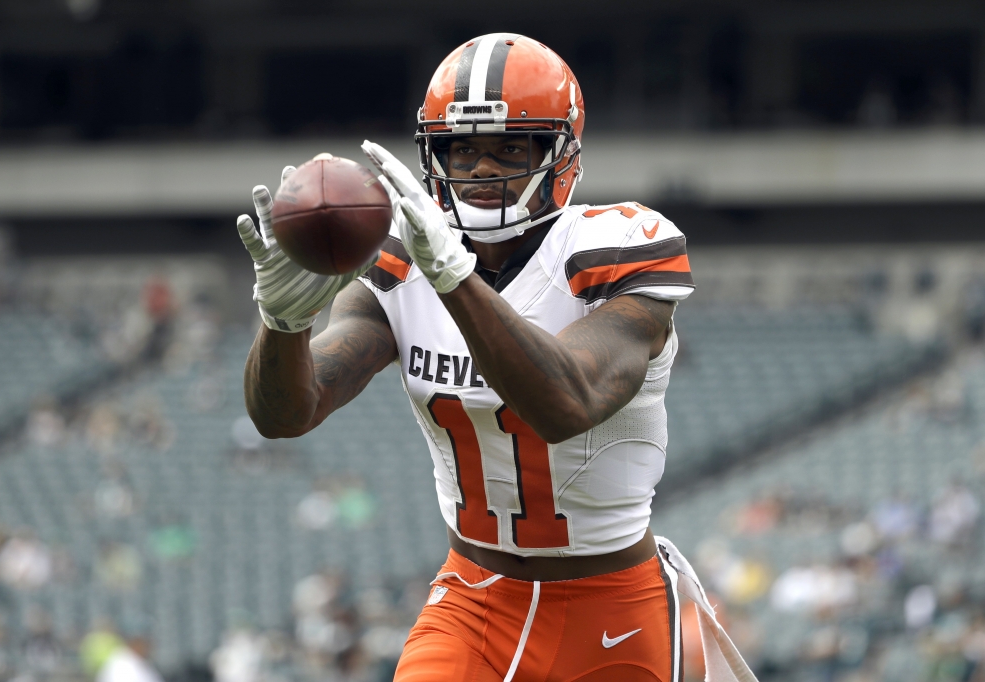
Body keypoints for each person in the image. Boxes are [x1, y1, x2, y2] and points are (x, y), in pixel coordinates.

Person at [239, 33, 754, 682]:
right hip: (473, 600)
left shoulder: (615, 248)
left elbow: (565, 405)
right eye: (462, 149)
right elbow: (288, 413)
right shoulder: (400, 263)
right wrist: (283, 322)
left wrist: (456, 278)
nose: (482, 169)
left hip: (613, 604)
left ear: (558, 152)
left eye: (510, 146)